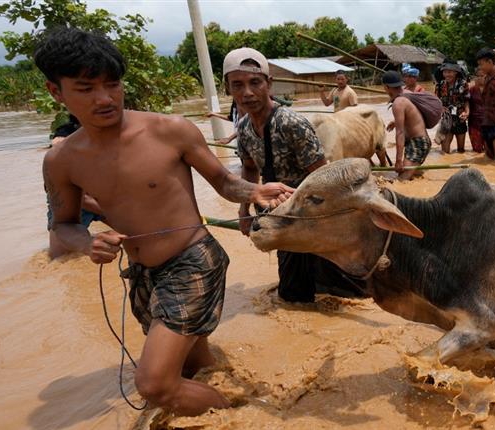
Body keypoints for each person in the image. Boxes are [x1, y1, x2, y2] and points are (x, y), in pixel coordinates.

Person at [38, 27, 293, 416]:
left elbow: (224, 181)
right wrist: (88, 243)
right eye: (86, 88)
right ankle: (216, 385)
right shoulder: (62, 160)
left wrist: (253, 192)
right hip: (142, 273)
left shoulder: (169, 130)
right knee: (193, 363)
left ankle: (247, 415)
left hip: (193, 260)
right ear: (57, 92)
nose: (105, 98)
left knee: (155, 383)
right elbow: (63, 224)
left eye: (112, 84)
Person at [226, 48, 361, 303]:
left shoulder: (291, 123)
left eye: (255, 82)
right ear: (229, 90)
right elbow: (250, 169)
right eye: (238, 85)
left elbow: (323, 175)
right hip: (277, 214)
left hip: (307, 214)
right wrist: (244, 211)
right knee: (297, 288)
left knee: (306, 291)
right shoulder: (243, 128)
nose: (247, 93)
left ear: (269, 84)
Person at [47, 114, 104, 259]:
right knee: (60, 260)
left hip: (104, 195)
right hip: (71, 201)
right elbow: (81, 199)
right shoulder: (63, 143)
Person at [383, 71, 432, 180]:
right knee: (409, 176)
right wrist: (395, 122)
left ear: (386, 87)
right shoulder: (407, 93)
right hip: (416, 142)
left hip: (418, 143)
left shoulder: (398, 103)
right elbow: (412, 115)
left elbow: (400, 133)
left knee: (402, 179)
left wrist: (398, 160)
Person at [433, 60, 469, 153]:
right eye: (444, 72)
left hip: (460, 119)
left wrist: (467, 112)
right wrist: (440, 108)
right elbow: (435, 101)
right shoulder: (440, 85)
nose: (446, 74)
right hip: (446, 120)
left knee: (461, 150)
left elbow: (466, 100)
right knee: (445, 151)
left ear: (456, 72)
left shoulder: (463, 84)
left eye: (449, 72)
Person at [467, 68, 487, 153]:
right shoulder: (471, 90)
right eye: (477, 76)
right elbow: (466, 103)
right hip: (474, 123)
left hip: (489, 123)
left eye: (482, 76)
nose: (480, 78)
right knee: (477, 150)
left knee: (489, 150)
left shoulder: (492, 89)